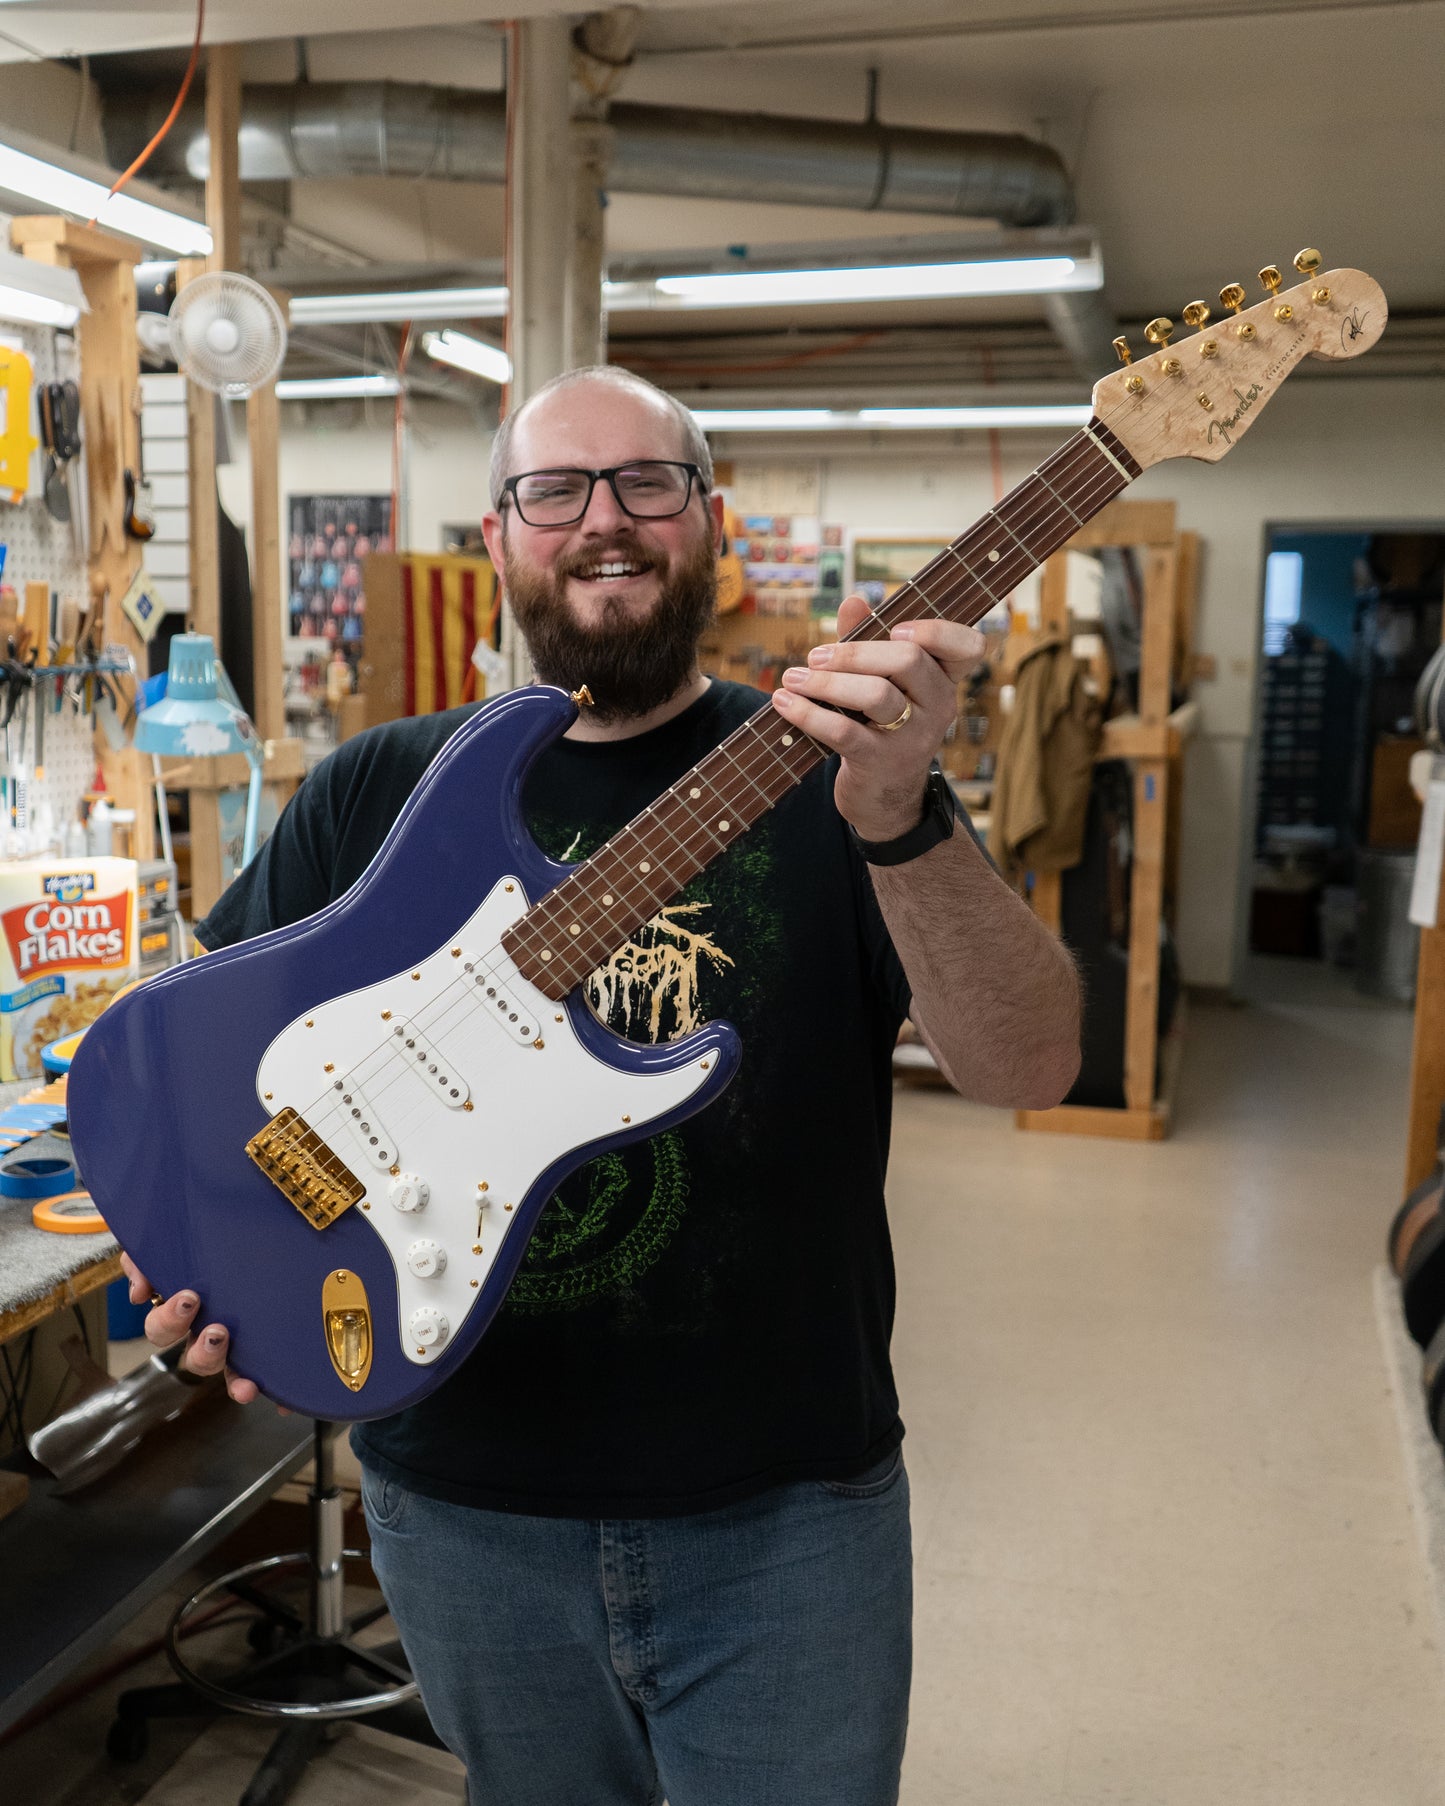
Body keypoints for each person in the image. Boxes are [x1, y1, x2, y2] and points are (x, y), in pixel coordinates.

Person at [124, 365, 1080, 1806]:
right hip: (458, 1509)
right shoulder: (378, 789)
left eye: (648, 484)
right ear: (499, 537)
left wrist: (896, 812)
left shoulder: (843, 781)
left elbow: (1033, 1066)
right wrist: (203, 1260)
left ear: (710, 524)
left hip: (782, 1514)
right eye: (553, 490)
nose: (604, 524)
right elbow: (185, 1071)